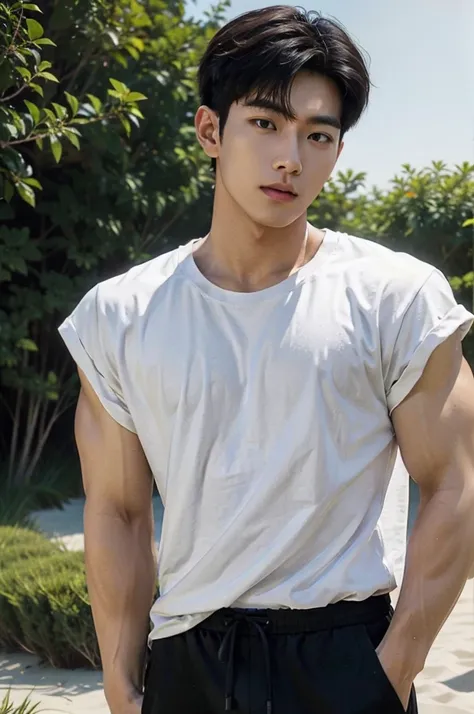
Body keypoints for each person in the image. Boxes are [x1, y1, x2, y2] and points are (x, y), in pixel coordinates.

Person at [58, 6, 474, 714]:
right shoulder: (121, 314)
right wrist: (123, 685)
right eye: (266, 123)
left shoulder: (395, 297)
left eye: (318, 135)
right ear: (210, 130)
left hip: (345, 653)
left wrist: (389, 671)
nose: (292, 157)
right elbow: (120, 511)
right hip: (188, 655)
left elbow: (457, 485)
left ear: (336, 152)